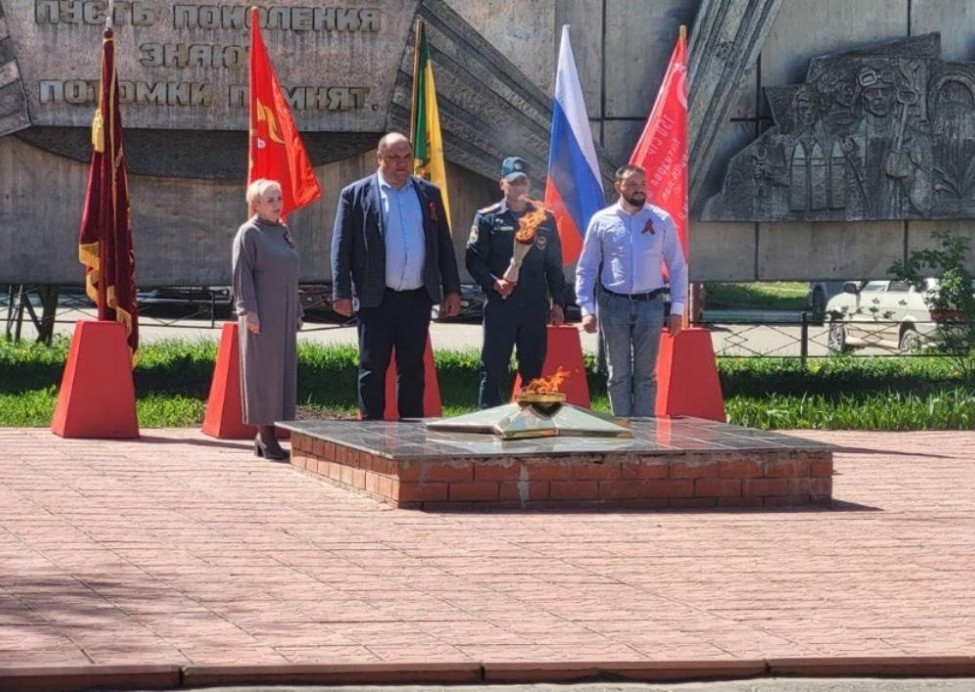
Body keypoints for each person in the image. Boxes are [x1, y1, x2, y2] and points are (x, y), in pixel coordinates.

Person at [330, 132, 461, 419]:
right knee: (372, 368)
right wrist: (341, 292)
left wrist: (452, 289)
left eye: (406, 157)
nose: (401, 163)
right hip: (376, 297)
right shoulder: (355, 194)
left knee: (413, 369)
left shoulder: (428, 193)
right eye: (393, 158)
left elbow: (443, 243)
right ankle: (371, 430)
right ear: (379, 158)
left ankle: (410, 430)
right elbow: (341, 247)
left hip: (417, 297)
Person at [575, 164, 687, 418]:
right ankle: (623, 428)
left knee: (647, 375)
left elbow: (677, 266)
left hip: (651, 305)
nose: (639, 189)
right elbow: (587, 267)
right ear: (618, 187)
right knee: (618, 374)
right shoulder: (602, 220)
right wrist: (586, 309)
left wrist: (677, 309)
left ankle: (644, 431)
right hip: (613, 305)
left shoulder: (661, 220)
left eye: (643, 184)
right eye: (633, 184)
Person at [466, 156, 566, 408]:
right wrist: (493, 282)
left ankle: (530, 422)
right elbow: (474, 260)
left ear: (529, 184)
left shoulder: (544, 218)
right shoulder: (487, 218)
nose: (519, 187)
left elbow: (554, 265)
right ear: (502, 184)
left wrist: (558, 302)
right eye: (513, 182)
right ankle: (487, 418)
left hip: (534, 306)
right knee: (493, 368)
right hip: (501, 305)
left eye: (523, 182)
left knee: (533, 371)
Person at [232, 179, 303, 460]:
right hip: (261, 315)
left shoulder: (283, 231)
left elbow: (290, 274)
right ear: (256, 204)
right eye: (270, 200)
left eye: (279, 198)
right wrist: (249, 311)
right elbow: (242, 274)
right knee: (263, 373)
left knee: (281, 373)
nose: (277, 205)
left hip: (284, 314)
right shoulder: (249, 233)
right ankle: (265, 435)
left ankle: (269, 434)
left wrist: (297, 309)